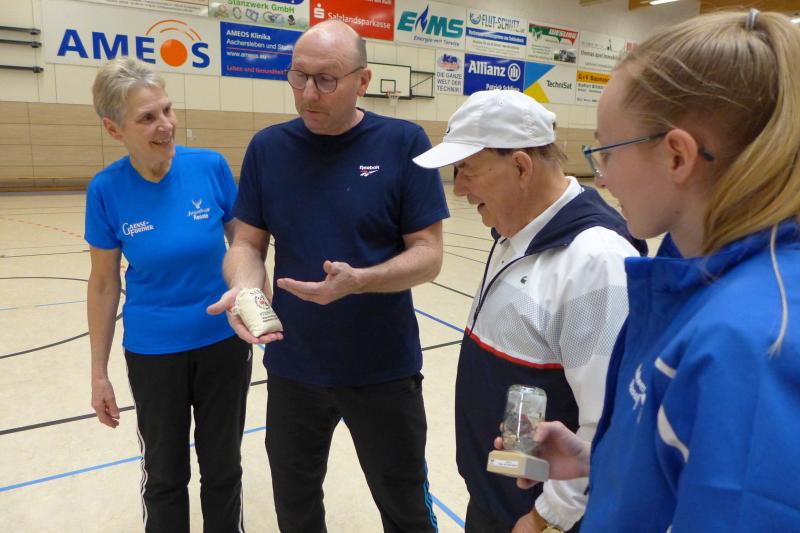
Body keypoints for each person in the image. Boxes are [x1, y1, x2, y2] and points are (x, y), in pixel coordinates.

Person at [497, 9, 800, 531]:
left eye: (606, 153)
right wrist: (604, 458)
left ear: (677, 156)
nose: (602, 178)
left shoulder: (746, 344)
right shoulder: (688, 270)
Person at [207, 20, 448, 533]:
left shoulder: (404, 142)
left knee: (405, 508)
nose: (308, 94)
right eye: (298, 77)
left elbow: (429, 254)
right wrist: (244, 286)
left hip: (383, 368)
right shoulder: (268, 148)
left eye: (326, 80)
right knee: (295, 509)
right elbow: (246, 244)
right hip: (295, 365)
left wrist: (360, 280)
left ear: (364, 81)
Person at [413, 89, 646, 533]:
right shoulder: (515, 231)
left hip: (539, 519)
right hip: (498, 499)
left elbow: (608, 425)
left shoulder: (595, 261)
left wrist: (545, 518)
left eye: (466, 170)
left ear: (521, 167)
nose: (458, 188)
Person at [86, 56, 252, 533]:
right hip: (153, 352)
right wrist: (98, 374)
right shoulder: (106, 190)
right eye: (147, 117)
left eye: (167, 109)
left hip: (223, 343)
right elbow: (104, 283)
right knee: (164, 474)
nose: (165, 125)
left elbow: (246, 247)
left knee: (223, 466)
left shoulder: (210, 167)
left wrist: (257, 305)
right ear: (114, 129)